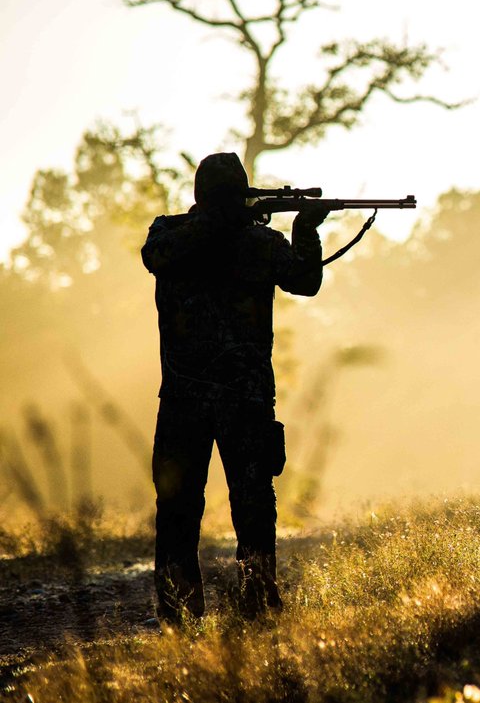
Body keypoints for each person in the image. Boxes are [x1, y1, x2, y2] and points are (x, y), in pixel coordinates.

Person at [141, 152, 327, 623]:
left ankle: (243, 607)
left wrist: (305, 227)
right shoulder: (174, 235)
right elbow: (156, 257)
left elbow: (304, 283)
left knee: (242, 505)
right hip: (215, 398)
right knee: (204, 505)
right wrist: (240, 225)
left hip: (211, 399)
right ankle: (200, 613)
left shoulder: (247, 240)